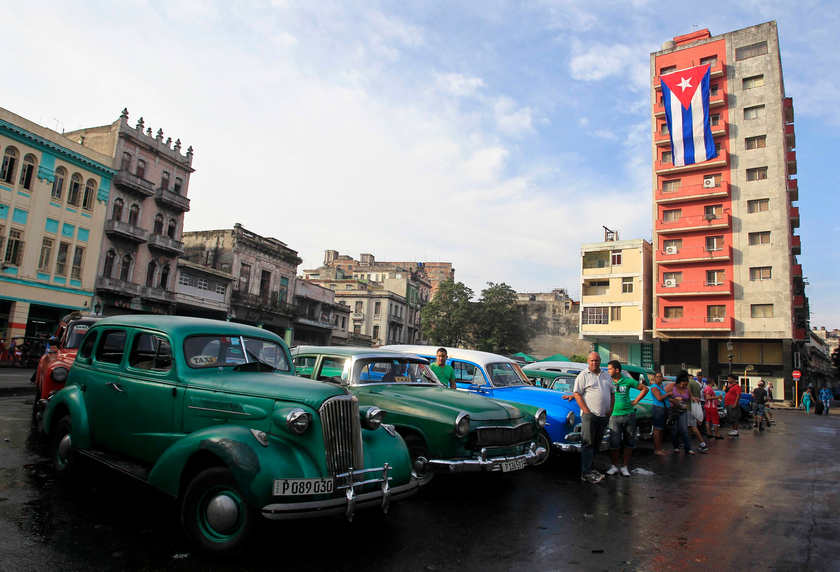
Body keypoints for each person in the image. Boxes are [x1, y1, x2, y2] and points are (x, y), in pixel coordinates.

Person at [569, 352, 614, 484]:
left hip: (603, 416)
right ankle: (585, 473)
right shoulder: (583, 376)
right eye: (592, 361)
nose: (594, 363)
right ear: (588, 362)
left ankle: (591, 468)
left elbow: (612, 393)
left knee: (596, 444)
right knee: (587, 444)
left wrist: (610, 410)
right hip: (590, 416)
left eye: (597, 361)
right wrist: (586, 411)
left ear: (600, 362)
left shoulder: (606, 375)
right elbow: (576, 393)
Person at [604, 360, 648, 477]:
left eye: (610, 369)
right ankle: (614, 466)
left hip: (629, 415)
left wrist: (636, 401)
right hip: (614, 416)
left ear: (617, 370)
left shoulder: (627, 380)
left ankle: (624, 467)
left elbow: (645, 389)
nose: (608, 371)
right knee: (614, 442)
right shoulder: (607, 381)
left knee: (629, 442)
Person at [669, 371, 695, 455]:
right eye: (683, 384)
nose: (684, 386)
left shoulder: (686, 389)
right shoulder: (672, 386)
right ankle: (676, 446)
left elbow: (691, 397)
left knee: (684, 429)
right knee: (674, 430)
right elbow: (664, 396)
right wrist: (674, 399)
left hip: (683, 411)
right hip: (673, 411)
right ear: (679, 382)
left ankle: (688, 448)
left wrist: (694, 399)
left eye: (686, 385)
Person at [687, 373, 709, 452]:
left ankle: (703, 444)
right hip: (696, 405)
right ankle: (687, 443)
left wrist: (691, 396)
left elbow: (689, 393)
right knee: (690, 426)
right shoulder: (697, 384)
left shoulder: (688, 383)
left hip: (690, 406)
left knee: (693, 426)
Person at [649, 372, 670, 455]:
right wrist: (668, 393)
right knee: (657, 430)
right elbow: (659, 398)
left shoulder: (661, 386)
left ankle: (659, 448)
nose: (659, 378)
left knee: (661, 430)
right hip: (658, 409)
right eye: (657, 377)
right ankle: (657, 450)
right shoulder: (654, 387)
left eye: (660, 376)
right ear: (654, 378)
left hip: (663, 409)